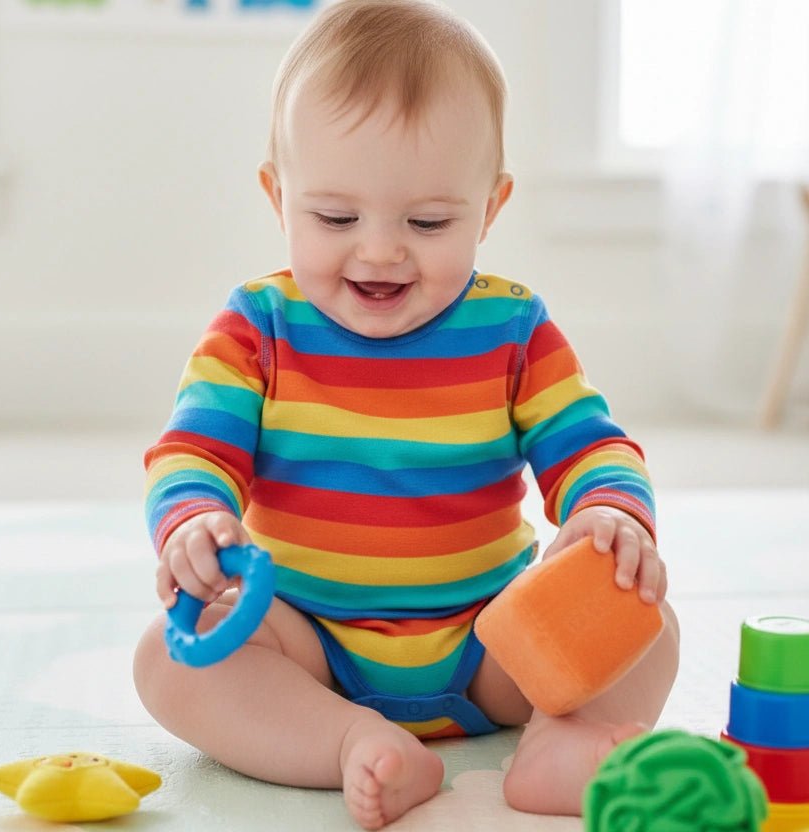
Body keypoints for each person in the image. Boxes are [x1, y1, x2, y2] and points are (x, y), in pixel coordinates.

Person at [133, 1, 680, 828]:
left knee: (649, 620)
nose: (381, 250)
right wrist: (195, 521)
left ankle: (560, 741)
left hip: (496, 640)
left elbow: (590, 444)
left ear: (489, 208)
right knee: (167, 663)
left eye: (428, 222)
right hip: (306, 642)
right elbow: (191, 452)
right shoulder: (258, 328)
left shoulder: (514, 328)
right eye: (335, 218)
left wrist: (607, 513)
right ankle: (349, 740)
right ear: (278, 197)